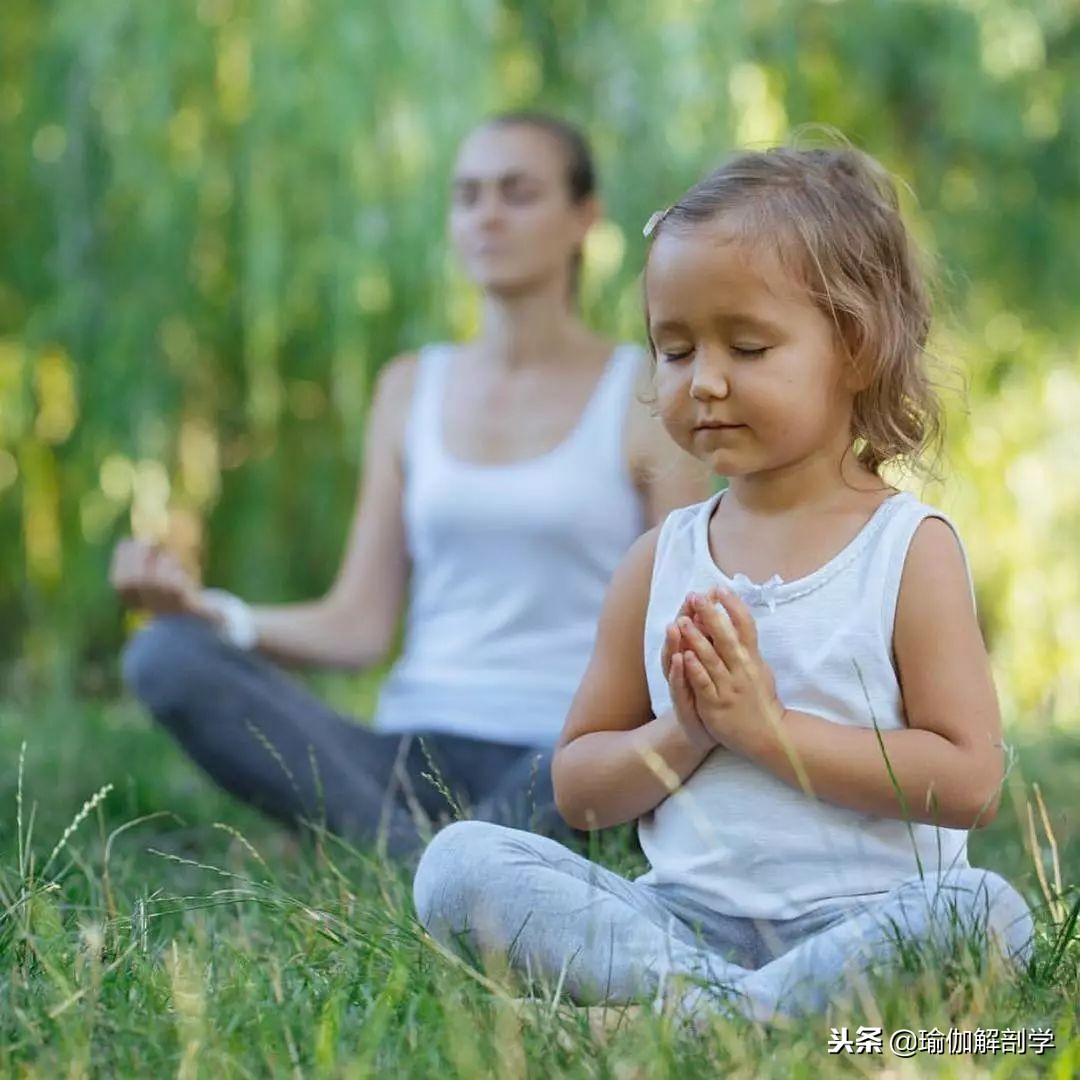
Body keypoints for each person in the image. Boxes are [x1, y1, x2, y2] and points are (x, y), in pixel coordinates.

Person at [412, 141, 1034, 1024]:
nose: (704, 382)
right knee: (457, 864)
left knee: (982, 915)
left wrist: (769, 731)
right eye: (673, 351)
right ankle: (741, 1010)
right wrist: (687, 733)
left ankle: (685, 1017)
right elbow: (580, 787)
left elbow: (969, 783)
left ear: (856, 349)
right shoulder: (659, 561)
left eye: (747, 346)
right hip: (679, 926)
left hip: (865, 922)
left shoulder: (908, 550)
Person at [113, 112, 710, 859]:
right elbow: (359, 624)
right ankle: (433, 857)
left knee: (592, 774)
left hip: (557, 754)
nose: (486, 214)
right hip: (402, 756)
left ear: (584, 218)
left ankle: (410, 857)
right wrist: (209, 613)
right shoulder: (409, 387)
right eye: (466, 196)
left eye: (517, 192)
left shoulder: (647, 392)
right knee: (165, 656)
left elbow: (678, 619)